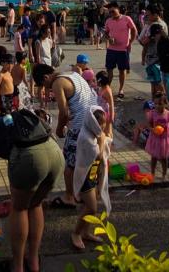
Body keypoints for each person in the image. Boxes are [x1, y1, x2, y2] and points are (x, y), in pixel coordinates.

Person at [0, 108, 64, 272]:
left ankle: (17, 266)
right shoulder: (20, 121)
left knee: (20, 208)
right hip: (55, 153)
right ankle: (33, 262)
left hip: (30, 157)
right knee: (35, 205)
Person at [32, 63, 96, 208]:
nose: (47, 89)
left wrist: (59, 130)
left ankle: (69, 197)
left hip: (80, 128)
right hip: (92, 123)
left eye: (44, 85)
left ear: (46, 77)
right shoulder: (72, 74)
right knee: (81, 161)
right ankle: (80, 193)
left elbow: (64, 112)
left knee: (69, 163)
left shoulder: (57, 83)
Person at [71, 106, 111, 251]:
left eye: (104, 123)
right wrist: (102, 140)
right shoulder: (86, 137)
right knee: (92, 208)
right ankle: (76, 233)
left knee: (91, 208)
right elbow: (99, 155)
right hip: (85, 178)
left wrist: (103, 137)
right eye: (100, 123)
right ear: (92, 122)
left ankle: (86, 232)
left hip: (92, 175)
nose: (102, 127)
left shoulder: (93, 133)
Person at [136, 91, 169, 180]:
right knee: (154, 157)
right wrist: (152, 129)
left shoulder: (168, 114)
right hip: (155, 138)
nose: (157, 106)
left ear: (165, 103)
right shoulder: (152, 113)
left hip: (164, 140)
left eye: (159, 104)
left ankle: (164, 174)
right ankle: (152, 172)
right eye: (155, 104)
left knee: (164, 158)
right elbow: (148, 124)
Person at [103, 2, 137, 99]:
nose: (111, 13)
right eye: (109, 12)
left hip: (123, 50)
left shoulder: (126, 19)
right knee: (109, 69)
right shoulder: (108, 20)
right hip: (111, 49)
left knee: (122, 70)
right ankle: (107, 87)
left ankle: (121, 89)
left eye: (113, 11)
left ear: (118, 9)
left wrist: (130, 42)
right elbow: (106, 32)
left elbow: (134, 30)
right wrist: (108, 38)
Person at [95, 72, 114, 137]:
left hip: (106, 114)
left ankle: (109, 144)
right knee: (103, 130)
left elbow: (111, 105)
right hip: (101, 112)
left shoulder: (107, 91)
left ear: (100, 81)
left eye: (97, 80)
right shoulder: (101, 88)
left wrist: (112, 117)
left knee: (108, 131)